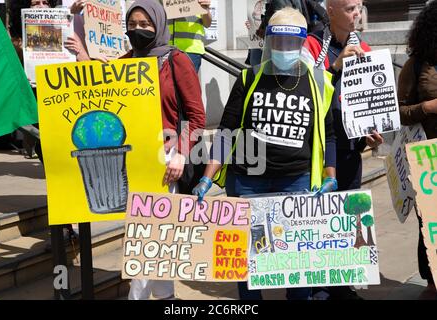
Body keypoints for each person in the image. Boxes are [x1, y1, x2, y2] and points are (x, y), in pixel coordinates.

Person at [193, 7, 338, 300]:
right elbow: (226, 131)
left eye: (291, 43)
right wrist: (206, 178)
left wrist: (330, 175)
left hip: (295, 184)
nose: (284, 49)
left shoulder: (318, 82)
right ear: (269, 41)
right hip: (247, 183)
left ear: (301, 43)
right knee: (247, 266)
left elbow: (329, 135)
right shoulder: (249, 79)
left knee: (296, 268)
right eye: (278, 42)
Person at [123, 0, 206, 300]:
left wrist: (182, 153)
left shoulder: (176, 59)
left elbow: (197, 116)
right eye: (132, 25)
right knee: (152, 231)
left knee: (147, 233)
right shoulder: (127, 61)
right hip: (135, 158)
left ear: (158, 25)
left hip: (167, 159)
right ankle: (166, 294)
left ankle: (139, 297)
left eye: (145, 24)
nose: (138, 30)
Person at [302, 0, 384, 300]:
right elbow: (303, 88)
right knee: (321, 217)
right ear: (331, 11)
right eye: (350, 8)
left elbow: (369, 101)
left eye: (359, 7)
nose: (357, 14)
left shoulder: (364, 47)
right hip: (319, 144)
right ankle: (319, 286)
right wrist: (334, 67)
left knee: (350, 213)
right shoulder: (312, 44)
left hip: (350, 144)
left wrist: (371, 133)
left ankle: (344, 283)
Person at [397, 0, 437, 297]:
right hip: (428, 158)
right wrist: (426, 107)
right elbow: (397, 112)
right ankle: (432, 281)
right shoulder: (417, 64)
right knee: (431, 224)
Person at [168, 0, 212, 72]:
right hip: (166, 49)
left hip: (190, 51)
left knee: (187, 82)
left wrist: (206, 10)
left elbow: (207, 24)